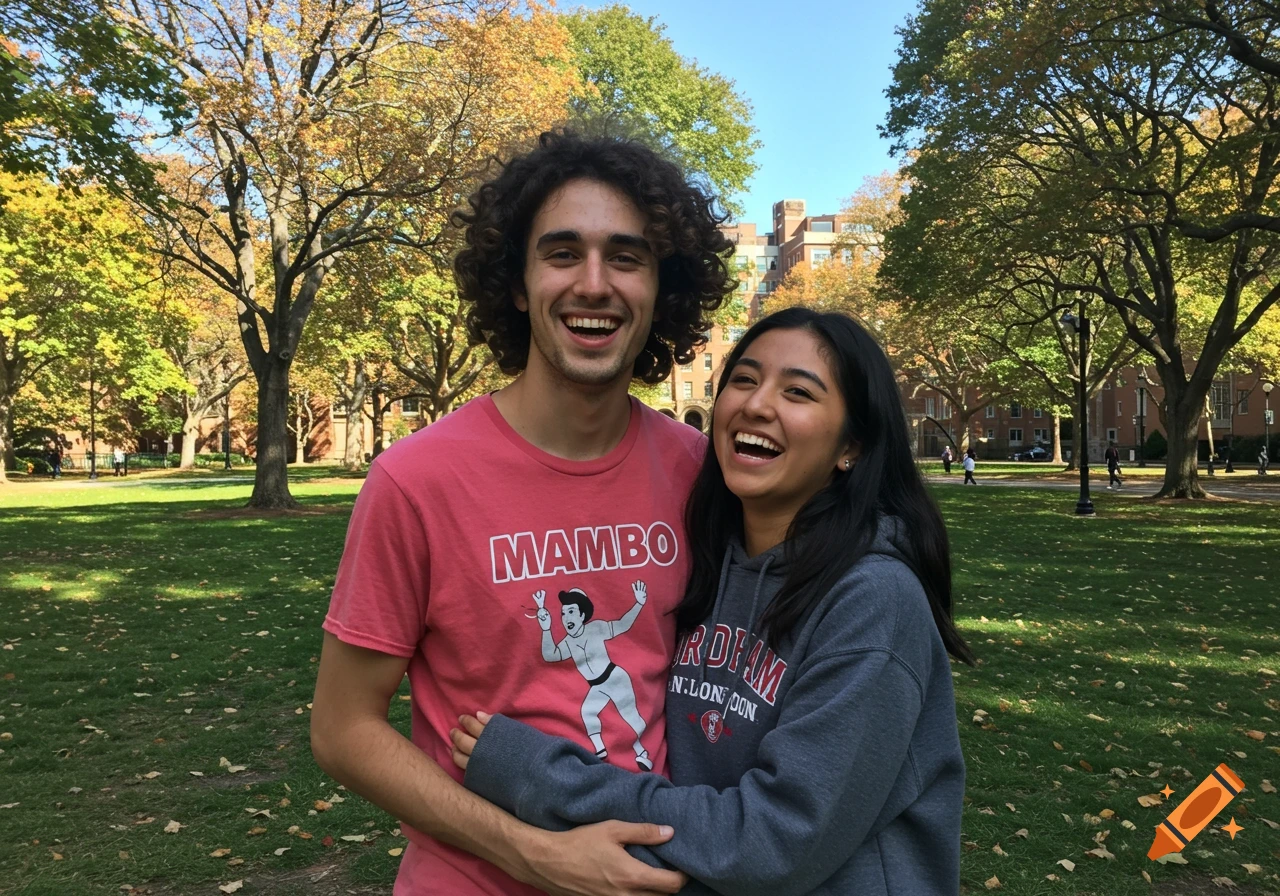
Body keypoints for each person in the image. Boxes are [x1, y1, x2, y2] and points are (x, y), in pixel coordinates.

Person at [309, 130, 736, 896]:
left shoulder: (699, 471)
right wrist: (528, 853)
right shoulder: (416, 480)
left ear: (660, 289)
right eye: (563, 253)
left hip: (661, 872)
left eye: (627, 257)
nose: (595, 285)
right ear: (516, 281)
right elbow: (342, 729)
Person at [451, 308, 974, 896]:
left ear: (850, 446)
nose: (756, 404)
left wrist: (540, 777)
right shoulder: (708, 562)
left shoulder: (873, 600)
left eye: (798, 392)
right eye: (744, 380)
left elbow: (772, 841)